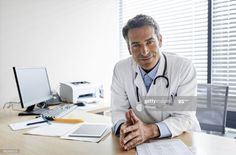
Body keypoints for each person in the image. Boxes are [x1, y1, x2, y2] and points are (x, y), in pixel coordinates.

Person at [111, 14, 200, 151]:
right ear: (129, 49)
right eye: (136, 45)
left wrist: (149, 131)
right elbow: (118, 110)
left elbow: (185, 117)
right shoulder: (121, 69)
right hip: (140, 142)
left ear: (160, 40)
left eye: (150, 42)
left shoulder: (183, 67)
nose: (145, 51)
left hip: (180, 139)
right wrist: (125, 128)